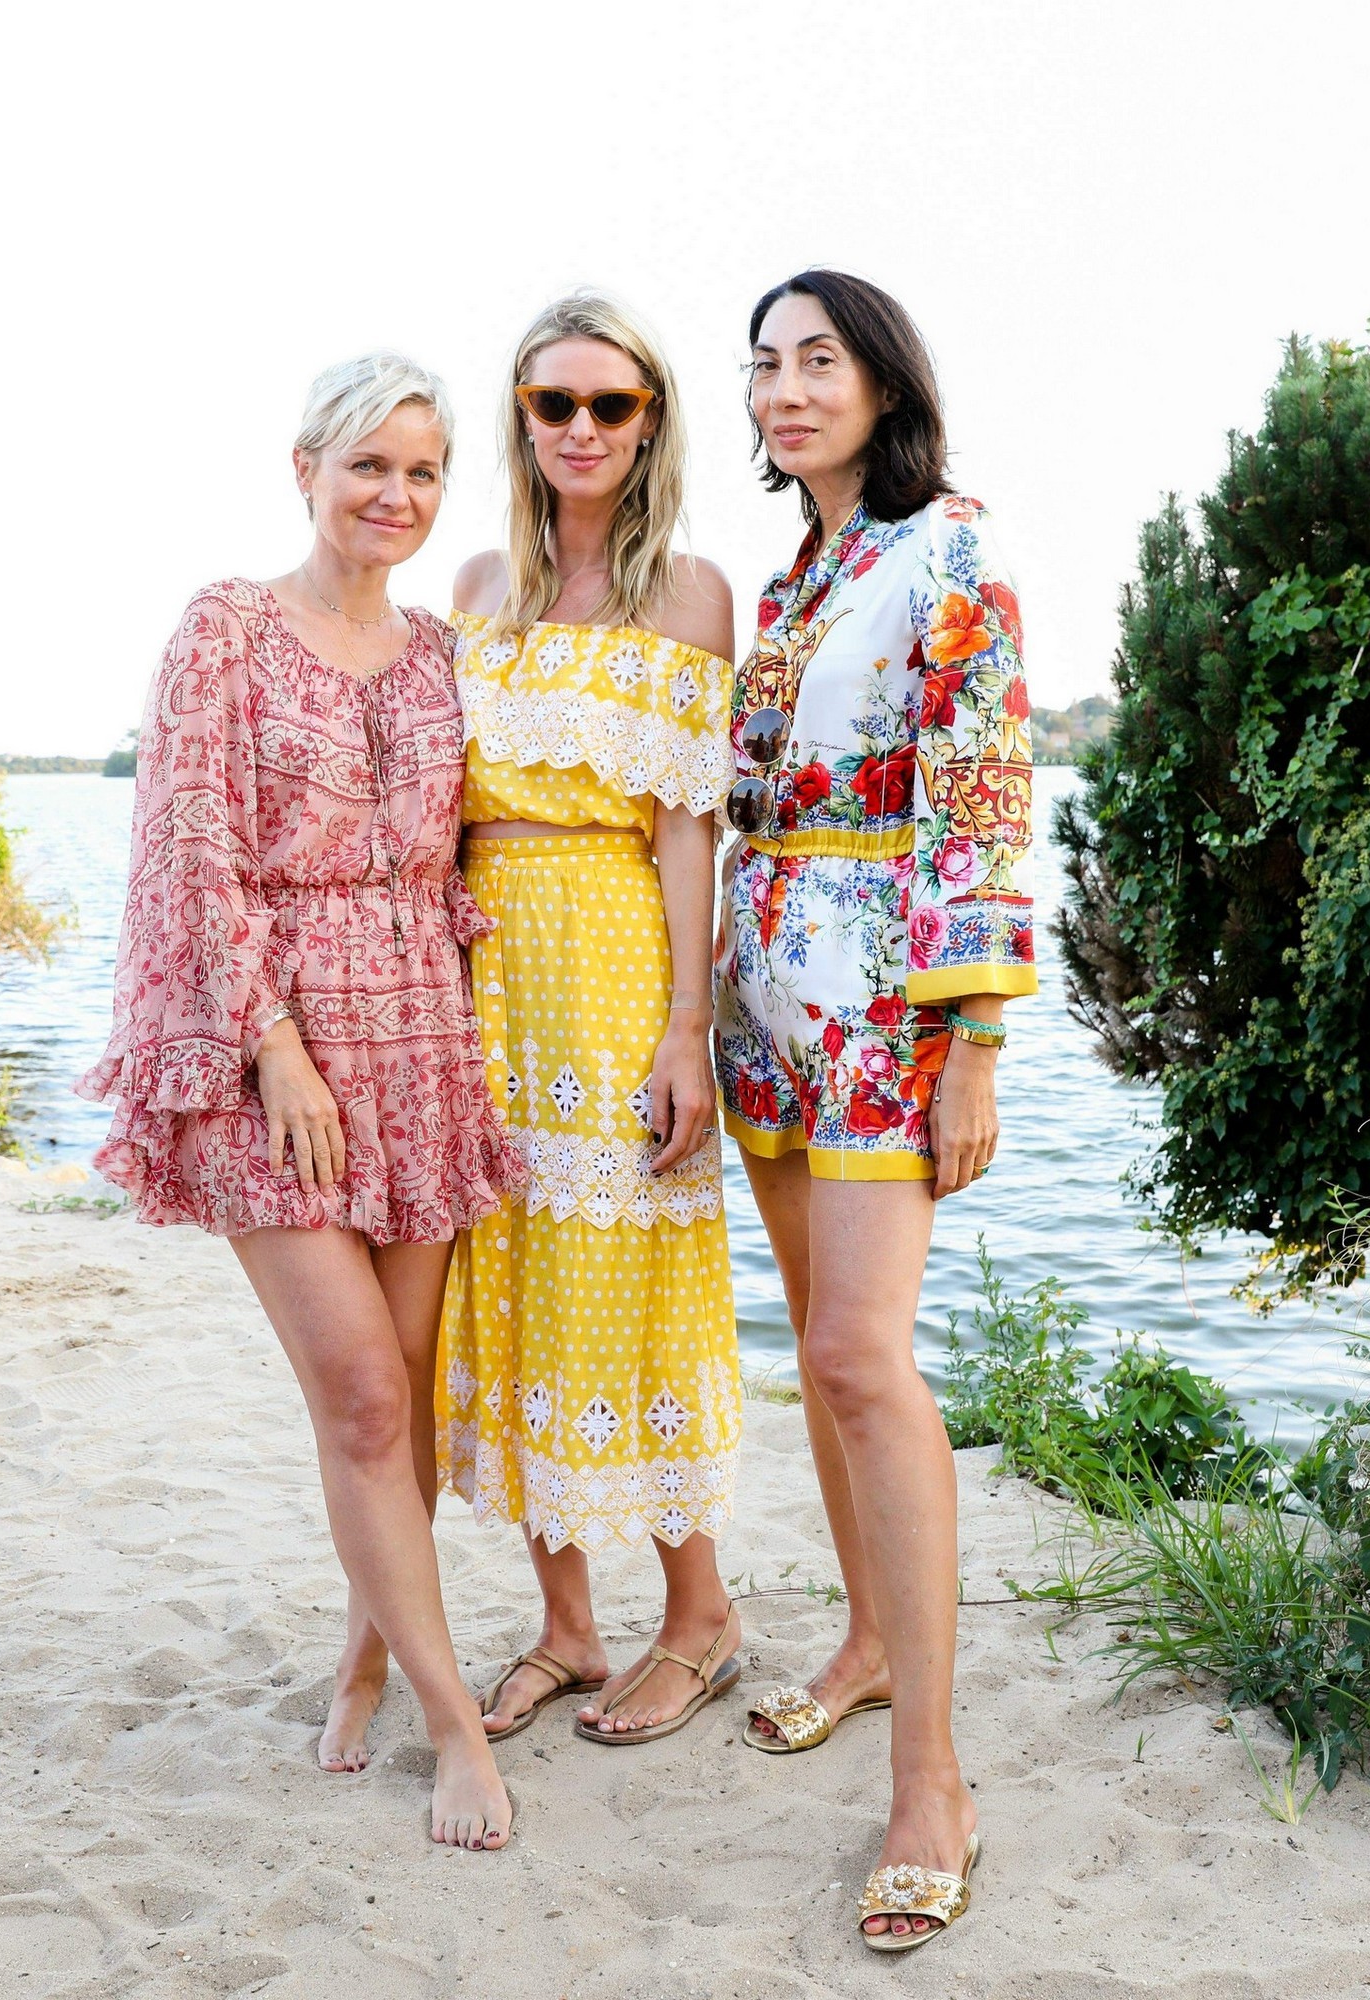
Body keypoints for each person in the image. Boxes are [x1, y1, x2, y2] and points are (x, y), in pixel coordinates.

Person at [77, 353, 524, 1851]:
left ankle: (364, 1656)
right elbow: (190, 843)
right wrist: (270, 1041)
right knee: (362, 1395)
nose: (395, 495)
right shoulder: (225, 627)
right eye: (368, 466)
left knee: (400, 1395)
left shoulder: (443, 651)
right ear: (305, 470)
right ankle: (454, 1729)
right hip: (273, 1046)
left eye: (422, 472)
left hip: (421, 1036)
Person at [715, 270, 1036, 1950]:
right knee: (814, 1346)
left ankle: (933, 1784)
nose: (785, 388)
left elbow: (978, 793)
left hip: (881, 999)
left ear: (884, 382)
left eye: (818, 359)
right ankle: (864, 1642)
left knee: (862, 1357)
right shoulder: (797, 577)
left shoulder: (945, 553)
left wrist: (975, 1034)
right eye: (764, 364)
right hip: (765, 995)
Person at [439, 292, 743, 1745]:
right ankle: (567, 1627)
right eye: (551, 403)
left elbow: (689, 829)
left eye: (608, 405)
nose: (579, 428)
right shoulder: (476, 584)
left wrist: (688, 1031)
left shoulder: (690, 595)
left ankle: (701, 1615)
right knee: (513, 1281)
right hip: (484, 973)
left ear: (649, 422)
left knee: (633, 1281)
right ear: (520, 417)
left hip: (618, 964)